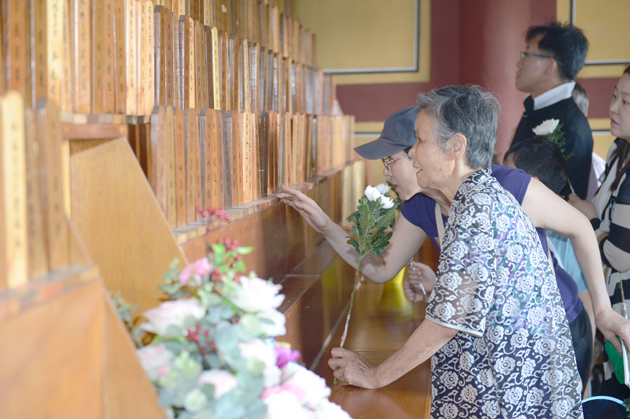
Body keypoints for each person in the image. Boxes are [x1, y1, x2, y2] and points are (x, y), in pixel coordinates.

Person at [279, 101, 630, 395]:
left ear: (428, 152)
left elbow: (581, 226)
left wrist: (602, 310)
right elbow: (381, 268)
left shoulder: (504, 186)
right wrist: (325, 225)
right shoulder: (419, 206)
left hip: (553, 330)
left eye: (393, 160)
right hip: (496, 343)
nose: (387, 174)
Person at [336, 85, 584, 417]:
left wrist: (375, 375)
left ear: (456, 146)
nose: (412, 155)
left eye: (420, 142)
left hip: (512, 399)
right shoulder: (475, 198)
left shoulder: (476, 209)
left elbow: (446, 323)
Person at [569, 66, 630, 400]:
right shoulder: (617, 152)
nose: (613, 107)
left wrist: (590, 224)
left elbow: (620, 253)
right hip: (608, 302)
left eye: (626, 101)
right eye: (614, 96)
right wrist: (595, 222)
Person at [504, 137, 595, 349]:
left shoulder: (564, 237)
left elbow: (584, 302)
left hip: (558, 346)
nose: (499, 181)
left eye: (507, 173)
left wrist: (585, 361)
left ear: (531, 184)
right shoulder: (507, 226)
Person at [512, 22, 593, 199]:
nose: (519, 62)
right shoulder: (536, 108)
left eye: (527, 54)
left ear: (550, 66)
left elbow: (562, 199)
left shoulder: (571, 126)